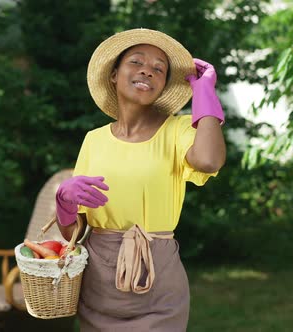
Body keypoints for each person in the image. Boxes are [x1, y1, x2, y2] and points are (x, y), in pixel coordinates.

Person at [55, 28, 226, 331]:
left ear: (162, 85)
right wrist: (64, 203)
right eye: (136, 62)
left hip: (158, 285)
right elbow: (74, 231)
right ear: (113, 75)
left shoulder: (178, 130)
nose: (148, 69)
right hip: (98, 285)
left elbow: (209, 160)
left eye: (159, 68)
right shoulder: (93, 140)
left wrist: (205, 95)